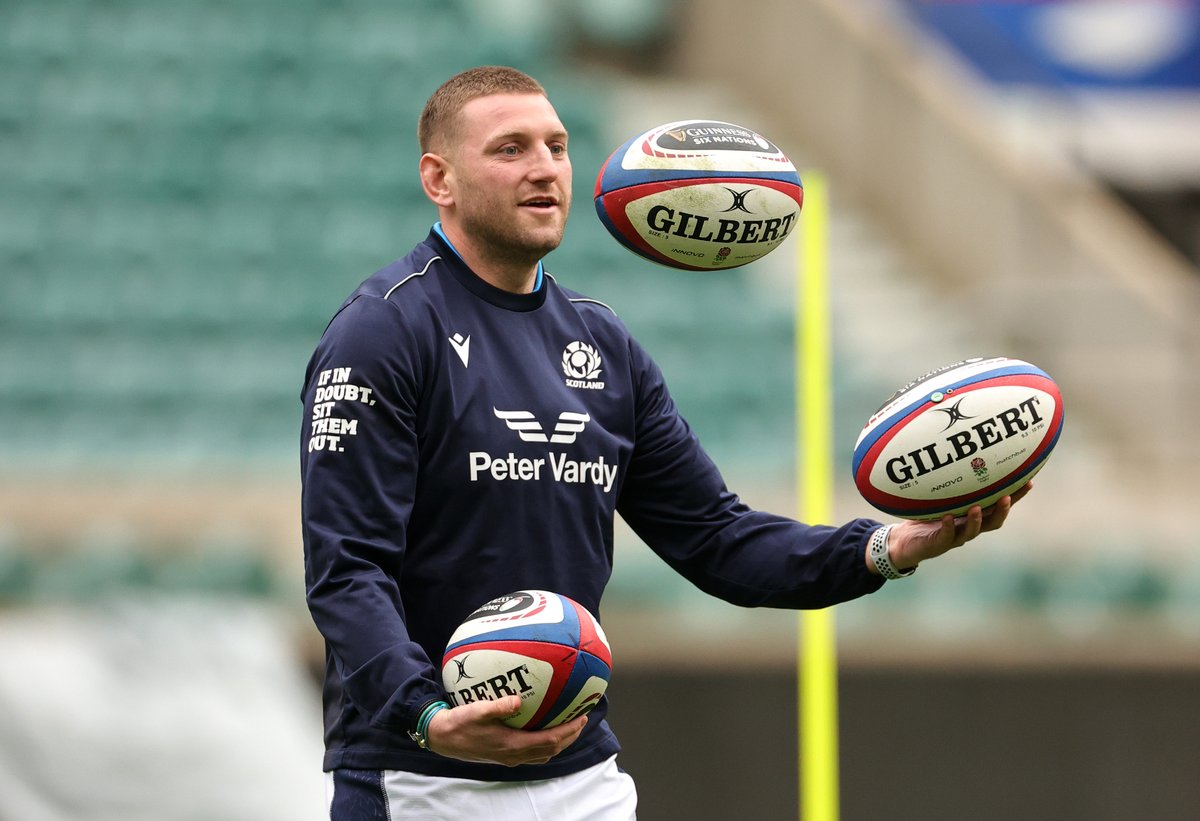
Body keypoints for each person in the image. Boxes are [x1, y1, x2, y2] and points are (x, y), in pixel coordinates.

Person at [300, 65, 1029, 820]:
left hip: (584, 782)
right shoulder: (383, 330)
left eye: (556, 145)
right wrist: (425, 715)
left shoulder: (602, 343)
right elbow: (348, 567)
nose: (545, 167)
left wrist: (889, 547)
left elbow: (717, 539)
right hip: (426, 781)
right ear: (439, 179)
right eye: (510, 149)